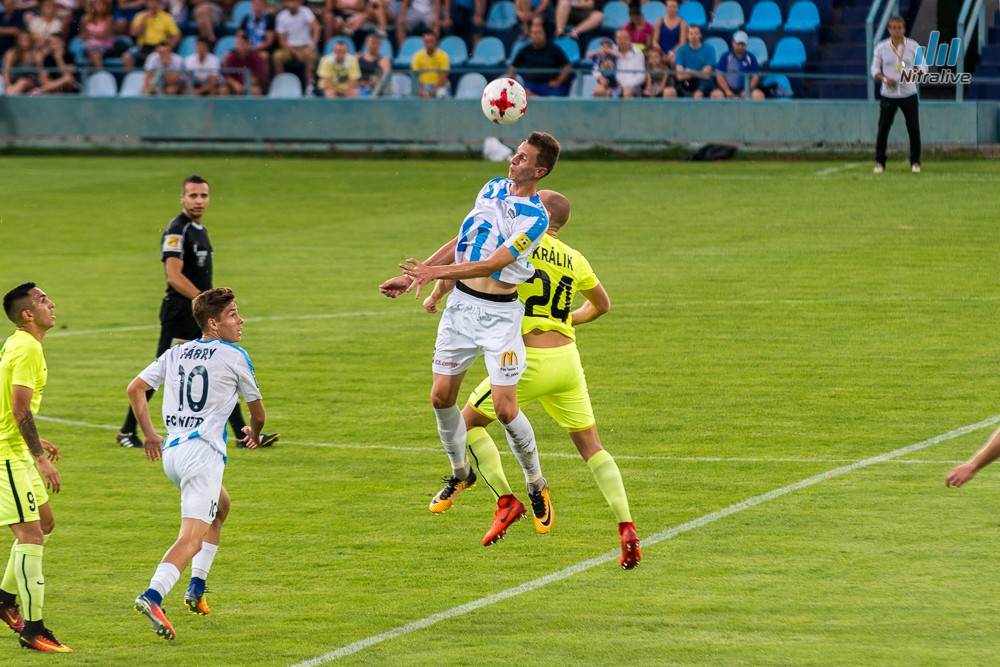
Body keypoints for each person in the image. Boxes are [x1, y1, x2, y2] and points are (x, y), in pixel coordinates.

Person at [420, 191, 640, 568]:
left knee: (468, 423)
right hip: (568, 361)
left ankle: (507, 499)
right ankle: (627, 528)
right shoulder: (575, 257)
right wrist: (568, 320)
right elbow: (602, 305)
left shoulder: (517, 244)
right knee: (593, 448)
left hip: (530, 361)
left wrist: (437, 288)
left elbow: (473, 261)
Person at [379, 131, 562, 533]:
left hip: (500, 316)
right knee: (440, 396)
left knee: (504, 408)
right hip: (461, 308)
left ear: (540, 170)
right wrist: (417, 277)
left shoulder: (536, 218)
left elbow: (492, 262)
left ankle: (536, 483)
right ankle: (461, 472)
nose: (514, 161)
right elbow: (464, 241)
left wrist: (435, 273)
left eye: (523, 158)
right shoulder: (492, 187)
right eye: (515, 154)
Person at [130, 288, 267, 641]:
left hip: (173, 453)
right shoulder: (235, 355)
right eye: (233, 314)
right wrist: (254, 432)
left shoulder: (175, 352)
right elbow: (257, 413)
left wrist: (148, 435)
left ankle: (197, 586)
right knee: (190, 537)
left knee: (221, 507)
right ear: (213, 322)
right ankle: (153, 595)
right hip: (202, 455)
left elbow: (135, 389)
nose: (240, 320)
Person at [114, 176, 279, 450]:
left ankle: (241, 432)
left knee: (221, 363)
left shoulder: (198, 229)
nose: (199, 201)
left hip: (199, 313)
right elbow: (173, 275)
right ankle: (126, 431)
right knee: (160, 372)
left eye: (203, 195)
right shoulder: (177, 231)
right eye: (193, 196)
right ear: (182, 198)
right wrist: (204, 301)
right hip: (181, 314)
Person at [0, 283, 71, 652]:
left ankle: (3, 599)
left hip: (17, 448)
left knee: (44, 523)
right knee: (31, 536)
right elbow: (20, 409)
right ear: (28, 313)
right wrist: (40, 459)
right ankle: (34, 629)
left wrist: (36, 442)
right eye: (44, 299)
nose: (52, 302)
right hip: (8, 457)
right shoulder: (27, 347)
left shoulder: (18, 341)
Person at [871, 15, 925, 174]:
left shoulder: (914, 46)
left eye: (899, 27)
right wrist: (884, 79)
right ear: (889, 29)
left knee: (913, 128)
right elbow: (874, 69)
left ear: (904, 29)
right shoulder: (881, 47)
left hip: (909, 92)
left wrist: (912, 74)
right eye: (893, 28)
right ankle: (880, 162)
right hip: (889, 94)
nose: (896, 31)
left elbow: (923, 67)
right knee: (883, 128)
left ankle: (915, 162)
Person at [507, 18, 572, 97]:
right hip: (531, 85)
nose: (536, 36)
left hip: (550, 87)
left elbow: (567, 66)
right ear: (530, 35)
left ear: (545, 34)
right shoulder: (525, 50)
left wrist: (558, 81)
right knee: (521, 95)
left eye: (539, 33)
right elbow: (513, 68)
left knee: (556, 95)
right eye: (534, 33)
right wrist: (516, 87)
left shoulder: (554, 49)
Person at [272, 0, 320, 92]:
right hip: (289, 48)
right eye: (290, 2)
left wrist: (312, 46)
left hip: (305, 46)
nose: (292, 4)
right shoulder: (281, 16)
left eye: (294, 2)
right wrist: (295, 53)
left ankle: (309, 89)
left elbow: (316, 27)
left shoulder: (306, 11)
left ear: (299, 3)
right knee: (277, 57)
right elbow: (282, 41)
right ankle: (280, 86)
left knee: (311, 57)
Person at [121, 0, 180, 71]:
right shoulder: (140, 16)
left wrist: (169, 47)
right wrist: (144, 20)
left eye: (155, 2)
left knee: (163, 55)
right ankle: (131, 79)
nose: (153, 4)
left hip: (159, 47)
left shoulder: (166, 17)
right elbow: (133, 33)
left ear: (158, 4)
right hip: (142, 47)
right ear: (146, 3)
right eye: (150, 2)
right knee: (127, 56)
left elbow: (177, 35)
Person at [710, 30, 764, 100]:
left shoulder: (751, 57)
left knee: (758, 95)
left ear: (746, 45)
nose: (740, 46)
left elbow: (755, 77)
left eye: (743, 44)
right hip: (727, 88)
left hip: (746, 89)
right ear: (733, 43)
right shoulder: (725, 56)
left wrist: (747, 90)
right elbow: (719, 75)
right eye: (738, 43)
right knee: (716, 95)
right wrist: (727, 91)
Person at [592, 28, 643, 98]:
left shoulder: (638, 53)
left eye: (624, 38)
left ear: (630, 38)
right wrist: (599, 77)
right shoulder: (610, 51)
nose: (622, 41)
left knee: (627, 92)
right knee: (598, 90)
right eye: (619, 38)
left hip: (632, 86)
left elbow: (641, 76)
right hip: (612, 85)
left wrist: (625, 85)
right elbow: (596, 67)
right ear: (615, 40)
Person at [667, 23, 714, 98]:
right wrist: (699, 73)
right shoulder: (681, 50)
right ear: (687, 35)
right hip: (684, 84)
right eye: (691, 33)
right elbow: (680, 76)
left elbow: (706, 75)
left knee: (698, 95)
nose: (693, 36)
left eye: (696, 33)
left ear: (700, 35)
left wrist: (690, 72)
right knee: (668, 92)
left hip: (703, 84)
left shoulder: (710, 49)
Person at [222, 29, 266, 95]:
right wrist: (235, 84)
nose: (242, 46)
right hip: (235, 85)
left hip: (251, 84)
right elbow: (228, 76)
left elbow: (257, 77)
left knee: (256, 91)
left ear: (249, 45)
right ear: (236, 45)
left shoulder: (255, 57)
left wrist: (245, 86)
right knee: (223, 90)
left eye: (245, 44)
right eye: (240, 44)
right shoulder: (231, 57)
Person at [410, 30, 449, 98]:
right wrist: (420, 91)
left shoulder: (443, 55)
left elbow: (443, 78)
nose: (429, 43)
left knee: (441, 94)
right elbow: (415, 77)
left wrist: (431, 93)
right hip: (423, 86)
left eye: (431, 41)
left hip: (439, 86)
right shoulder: (417, 56)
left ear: (436, 42)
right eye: (426, 41)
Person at [2, 30, 39, 95]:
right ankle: (9, 94)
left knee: (23, 82)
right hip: (13, 82)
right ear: (17, 41)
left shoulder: (37, 54)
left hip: (30, 81)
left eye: (27, 39)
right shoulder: (11, 53)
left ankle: (8, 97)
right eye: (21, 39)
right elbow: (6, 72)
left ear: (31, 40)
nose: (24, 41)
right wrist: (8, 85)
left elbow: (40, 72)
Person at [651, 0, 684, 69]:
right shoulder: (659, 21)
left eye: (674, 7)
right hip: (661, 52)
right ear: (666, 8)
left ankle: (676, 79)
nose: (672, 9)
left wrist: (671, 53)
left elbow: (682, 42)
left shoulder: (682, 23)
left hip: (675, 52)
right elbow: (655, 41)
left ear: (677, 9)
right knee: (652, 60)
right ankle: (652, 79)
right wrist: (661, 53)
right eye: (669, 6)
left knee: (674, 60)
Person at [356, 31, 391, 96]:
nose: (373, 45)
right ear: (366, 44)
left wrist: (370, 83)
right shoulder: (358, 57)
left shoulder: (384, 60)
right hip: (358, 87)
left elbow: (385, 78)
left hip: (375, 89)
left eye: (376, 43)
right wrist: (359, 83)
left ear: (380, 45)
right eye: (372, 43)